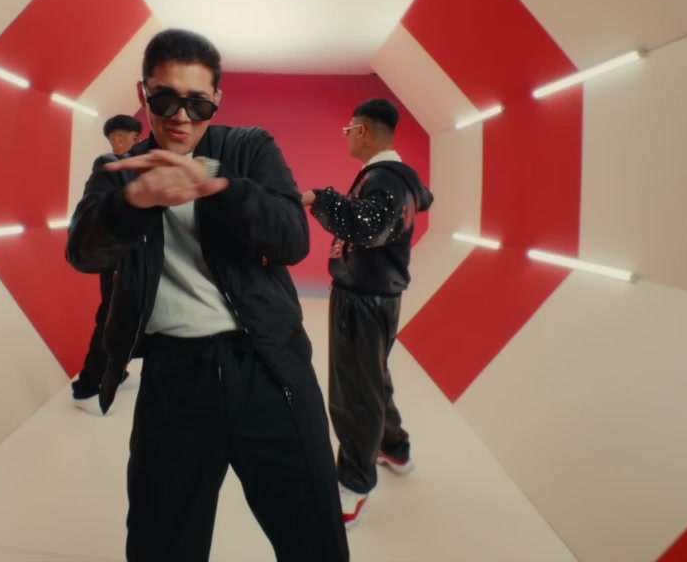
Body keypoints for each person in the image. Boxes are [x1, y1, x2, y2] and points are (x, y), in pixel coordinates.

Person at [66, 29, 350, 562]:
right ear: (144, 93)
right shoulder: (119, 173)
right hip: (173, 377)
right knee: (160, 546)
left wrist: (216, 188)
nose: (180, 117)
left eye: (197, 104)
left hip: (268, 366)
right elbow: (83, 252)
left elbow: (292, 237)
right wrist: (133, 202)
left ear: (217, 100)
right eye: (164, 100)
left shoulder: (248, 147)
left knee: (314, 541)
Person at [301, 98, 434, 529]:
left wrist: (319, 198)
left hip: (362, 299)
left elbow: (368, 227)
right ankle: (393, 446)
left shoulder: (384, 178)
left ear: (361, 131)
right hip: (380, 296)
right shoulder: (398, 179)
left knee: (354, 391)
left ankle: (355, 482)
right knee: (371, 376)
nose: (347, 138)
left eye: (348, 131)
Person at [72, 114, 145, 415]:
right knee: (112, 318)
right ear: (119, 139)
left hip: (132, 256)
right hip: (118, 258)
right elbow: (97, 217)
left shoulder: (132, 167)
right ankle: (87, 388)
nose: (139, 143)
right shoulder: (107, 168)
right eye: (135, 138)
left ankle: (118, 371)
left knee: (127, 318)